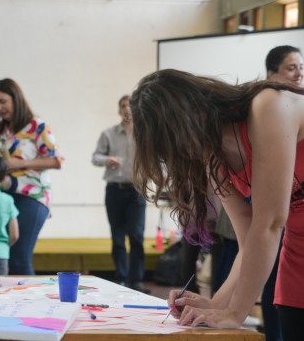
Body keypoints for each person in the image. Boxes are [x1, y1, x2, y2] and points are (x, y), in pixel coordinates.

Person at [130, 69, 304, 337]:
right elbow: (248, 241)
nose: (183, 151)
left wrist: (235, 313)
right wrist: (216, 305)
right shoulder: (213, 156)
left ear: (193, 111)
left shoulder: (267, 106)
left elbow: (270, 222)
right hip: (298, 255)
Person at [0, 78, 63, 275]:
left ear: (16, 98)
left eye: (2, 101)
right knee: (2, 256)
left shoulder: (37, 126)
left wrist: (22, 163)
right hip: (3, 199)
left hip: (32, 197)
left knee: (19, 256)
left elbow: (56, 161)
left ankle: (30, 303)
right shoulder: (1, 132)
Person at [260, 45, 303, 341]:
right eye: (291, 67)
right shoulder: (265, 125)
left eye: (301, 67)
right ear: (272, 75)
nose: (299, 73)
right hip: (293, 258)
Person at [92, 95, 149, 294]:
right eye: (124, 106)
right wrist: (107, 159)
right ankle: (122, 279)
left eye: (131, 106)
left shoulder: (145, 135)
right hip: (115, 190)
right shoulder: (108, 133)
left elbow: (157, 159)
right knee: (117, 238)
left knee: (136, 237)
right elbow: (95, 157)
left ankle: (137, 281)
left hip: (137, 191)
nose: (127, 109)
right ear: (119, 110)